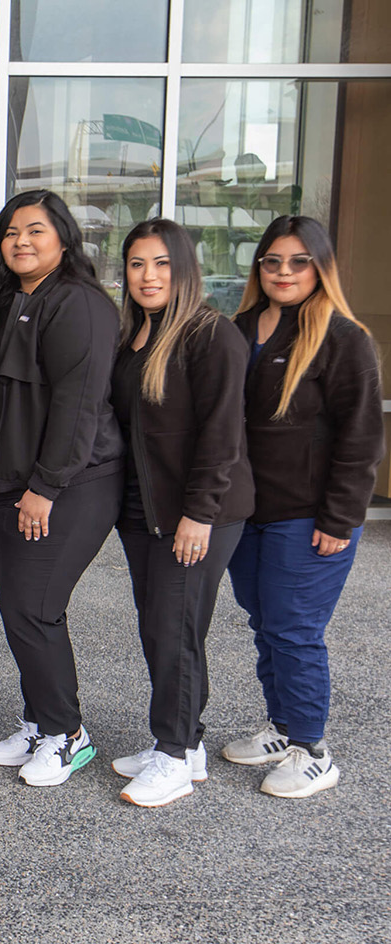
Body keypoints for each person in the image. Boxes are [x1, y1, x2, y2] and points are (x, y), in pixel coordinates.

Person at [223, 216, 383, 799]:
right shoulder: (239, 329)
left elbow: (361, 439)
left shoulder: (343, 337)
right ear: (258, 267)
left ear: (320, 268)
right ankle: (282, 726)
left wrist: (340, 518)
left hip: (309, 516)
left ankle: (312, 749)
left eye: (298, 261)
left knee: (294, 629)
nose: (283, 272)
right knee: (265, 623)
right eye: (272, 261)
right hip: (248, 513)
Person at [0, 189, 124, 787]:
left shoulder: (80, 304)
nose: (21, 242)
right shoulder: (9, 298)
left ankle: (68, 733)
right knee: (18, 608)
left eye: (35, 230)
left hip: (69, 485)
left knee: (34, 607)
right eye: (10, 232)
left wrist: (46, 487)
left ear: (63, 237)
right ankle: (39, 719)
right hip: (5, 484)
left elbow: (78, 405)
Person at [107, 218, 253, 808]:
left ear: (185, 269)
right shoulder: (133, 335)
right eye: (137, 264)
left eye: (162, 264)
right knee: (165, 627)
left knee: (174, 629)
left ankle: (171, 756)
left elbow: (223, 434)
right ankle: (185, 744)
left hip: (198, 514)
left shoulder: (211, 336)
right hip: (145, 512)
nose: (148, 276)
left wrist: (199, 513)